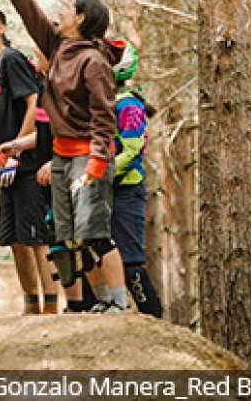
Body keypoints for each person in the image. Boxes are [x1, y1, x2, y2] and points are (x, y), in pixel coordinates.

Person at [0, 0, 128, 313]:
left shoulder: (93, 61)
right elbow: (30, 14)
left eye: (68, 7)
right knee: (73, 238)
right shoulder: (59, 46)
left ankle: (119, 303)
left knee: (96, 233)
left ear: (81, 18)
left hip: (88, 157)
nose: (61, 11)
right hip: (63, 157)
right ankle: (101, 302)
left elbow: (104, 115)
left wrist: (97, 162)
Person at [0, 7, 58, 315]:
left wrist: (17, 152)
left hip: (28, 164)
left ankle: (51, 308)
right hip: (4, 165)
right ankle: (30, 304)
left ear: (1, 28)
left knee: (37, 238)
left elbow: (33, 103)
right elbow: (1, 119)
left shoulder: (11, 60)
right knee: (15, 239)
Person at [104, 38, 163, 317]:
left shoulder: (128, 105)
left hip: (125, 189)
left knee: (130, 260)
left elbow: (131, 149)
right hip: (106, 188)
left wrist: (103, 174)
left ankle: (152, 316)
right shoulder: (107, 102)